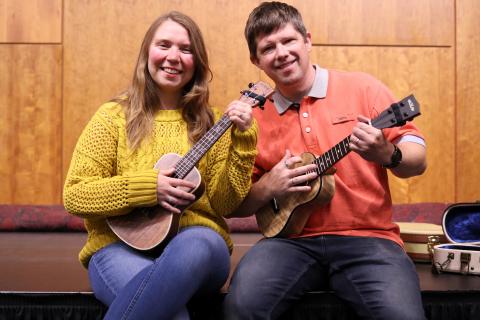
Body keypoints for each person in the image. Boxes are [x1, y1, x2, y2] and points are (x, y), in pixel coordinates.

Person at [223, 2, 427, 319]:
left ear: (307, 39)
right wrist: (270, 187)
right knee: (241, 307)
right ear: (256, 60)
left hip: (369, 240)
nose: (281, 53)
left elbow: (417, 160)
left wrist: (387, 154)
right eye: (268, 47)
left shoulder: (364, 88)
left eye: (289, 41)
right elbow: (236, 206)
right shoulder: (253, 120)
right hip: (287, 242)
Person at [63, 11, 258, 320]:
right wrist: (149, 187)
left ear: (198, 61)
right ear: (147, 53)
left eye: (185, 49)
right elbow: (76, 195)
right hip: (119, 248)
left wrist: (245, 142)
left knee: (199, 241)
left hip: (198, 253)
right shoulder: (113, 117)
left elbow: (226, 202)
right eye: (164, 45)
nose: (173, 57)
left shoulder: (214, 124)